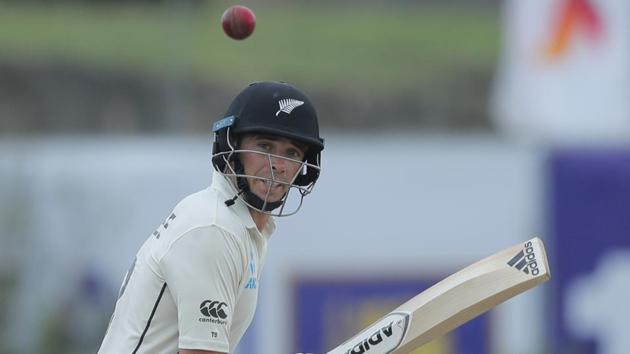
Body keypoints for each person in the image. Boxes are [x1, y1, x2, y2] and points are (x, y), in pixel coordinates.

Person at [97, 81, 324, 354]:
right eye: (265, 146)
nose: (279, 164)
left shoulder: (240, 224)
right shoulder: (214, 228)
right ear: (230, 145)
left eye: (292, 153)